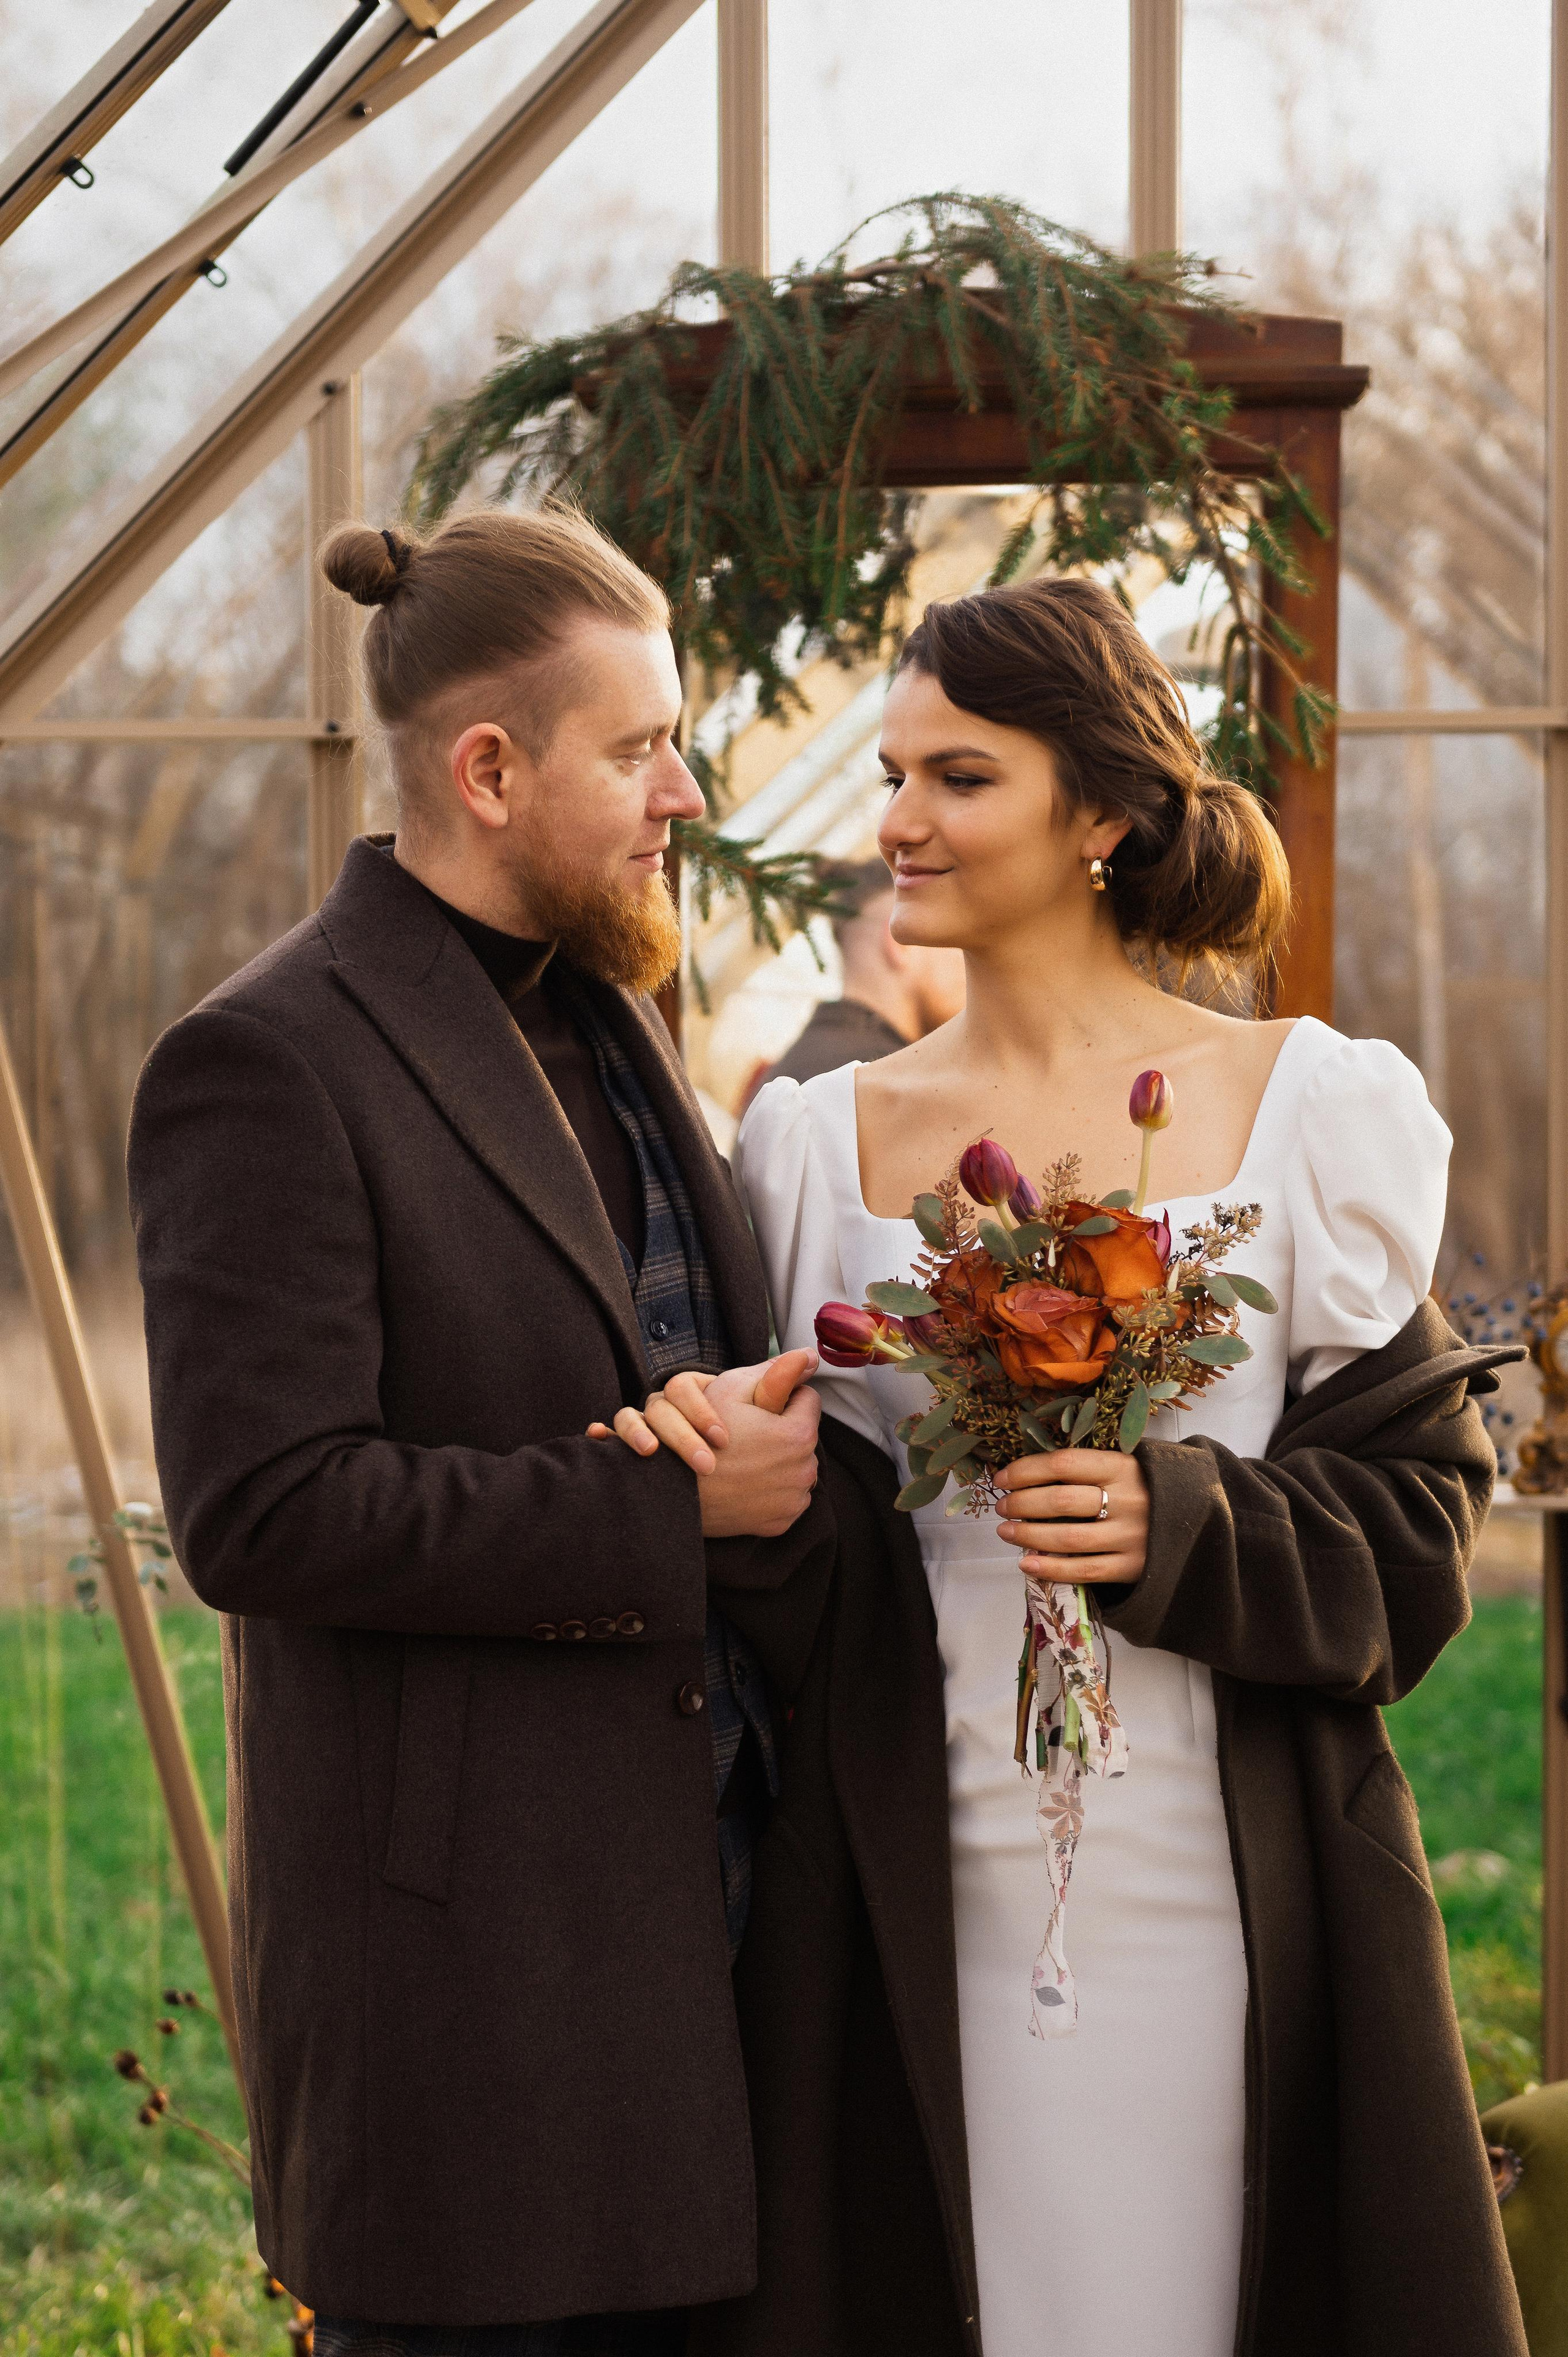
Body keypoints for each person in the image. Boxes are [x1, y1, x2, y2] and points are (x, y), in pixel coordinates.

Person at [704, 577, 1523, 2354]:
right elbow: (805, 1546)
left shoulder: (1307, 1107)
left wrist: (1181, 1518)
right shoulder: (807, 1145)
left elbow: (1424, 1516)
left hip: (1237, 1878)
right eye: (895, 771)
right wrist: (739, 1507)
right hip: (911, 1879)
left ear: (1105, 814)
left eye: (960, 777)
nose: (899, 818)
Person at [126, 509, 835, 2354]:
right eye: (639, 749)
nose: (682, 790)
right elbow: (265, 1509)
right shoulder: (265, 1060)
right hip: (476, 2020)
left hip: (709, 1967)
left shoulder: (614, 1009)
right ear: (489, 768)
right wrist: (662, 1519)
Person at [758, 858, 965, 1089]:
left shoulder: (794, 1074)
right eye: (957, 939)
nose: (974, 962)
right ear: (903, 940)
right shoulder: (893, 1082)